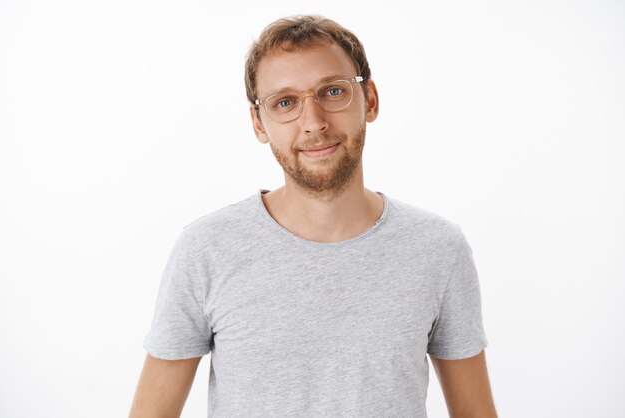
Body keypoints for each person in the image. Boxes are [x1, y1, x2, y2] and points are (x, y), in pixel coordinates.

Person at [129, 14, 497, 418]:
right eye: (285, 102)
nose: (313, 122)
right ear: (258, 122)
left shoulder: (438, 249)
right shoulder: (207, 249)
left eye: (333, 91)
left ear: (369, 100)